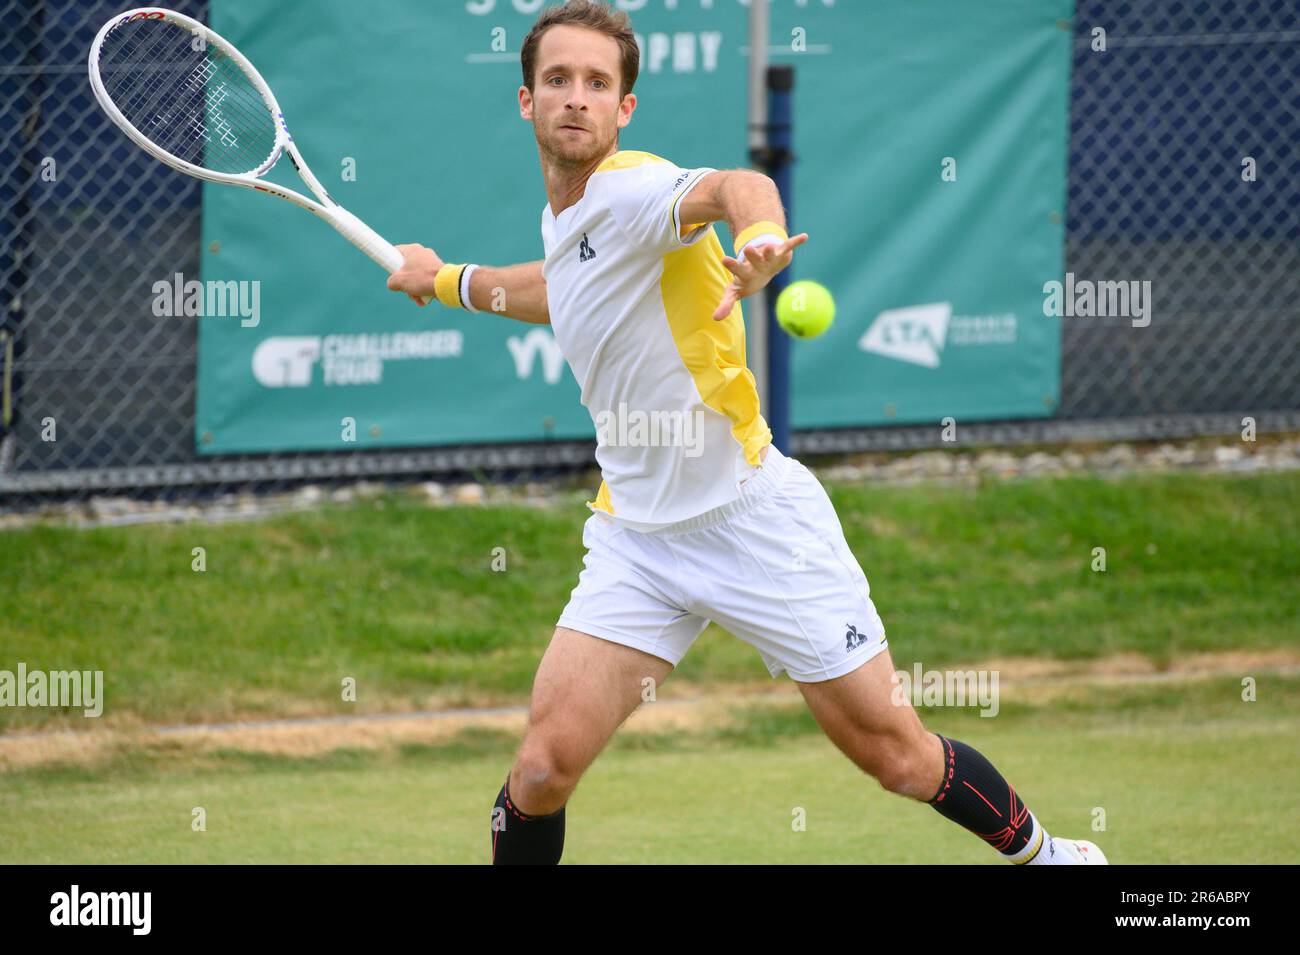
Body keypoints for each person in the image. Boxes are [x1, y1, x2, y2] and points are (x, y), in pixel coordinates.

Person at [387, 0, 1106, 867]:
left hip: (753, 520)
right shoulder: (574, 217)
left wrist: (760, 233)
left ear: (625, 110)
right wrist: (446, 279)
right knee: (542, 768)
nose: (575, 97)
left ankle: (1053, 858)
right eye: (557, 80)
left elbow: (735, 186)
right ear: (526, 101)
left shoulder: (632, 186)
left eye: (597, 83)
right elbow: (555, 286)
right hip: (636, 540)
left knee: (895, 754)